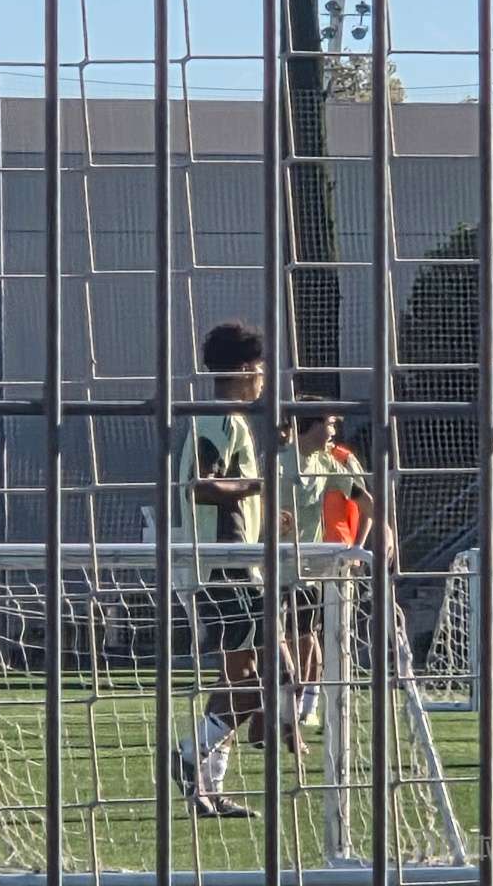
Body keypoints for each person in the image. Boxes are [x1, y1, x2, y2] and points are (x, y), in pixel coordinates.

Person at [172, 321, 297, 819]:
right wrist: (257, 488)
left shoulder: (229, 421)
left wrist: (263, 502)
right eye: (261, 368)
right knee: (275, 673)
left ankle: (207, 786)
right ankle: (190, 754)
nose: (264, 377)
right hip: (224, 566)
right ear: (246, 369)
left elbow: (231, 484)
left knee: (241, 677)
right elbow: (203, 486)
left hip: (228, 563)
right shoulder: (219, 418)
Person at [278, 399, 386, 727]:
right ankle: (278, 704)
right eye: (329, 423)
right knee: (271, 643)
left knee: (308, 637)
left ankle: (301, 706)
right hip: (266, 570)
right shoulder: (278, 459)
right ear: (310, 425)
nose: (334, 430)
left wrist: (384, 529)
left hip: (308, 570)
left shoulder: (328, 462)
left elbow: (361, 497)